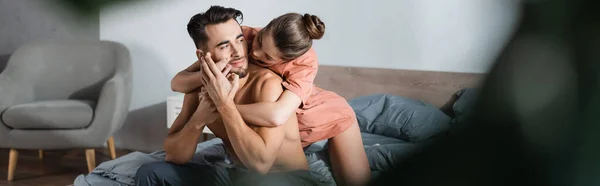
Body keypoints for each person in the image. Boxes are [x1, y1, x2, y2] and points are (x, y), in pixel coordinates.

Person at [171, 8, 371, 186]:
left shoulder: (304, 62)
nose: (255, 53)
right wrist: (211, 74)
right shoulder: (243, 36)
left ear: (287, 59)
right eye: (258, 42)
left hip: (318, 112)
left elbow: (277, 115)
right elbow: (177, 82)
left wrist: (220, 104)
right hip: (281, 118)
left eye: (267, 57)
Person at [135, 6, 320, 185]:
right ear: (202, 57)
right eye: (225, 46)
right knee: (150, 173)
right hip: (240, 176)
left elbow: (261, 165)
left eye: (240, 40)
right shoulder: (199, 88)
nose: (238, 52)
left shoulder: (267, 85)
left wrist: (224, 106)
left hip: (287, 179)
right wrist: (199, 119)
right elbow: (174, 155)